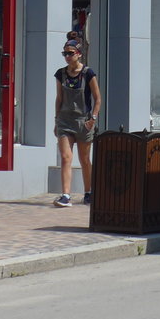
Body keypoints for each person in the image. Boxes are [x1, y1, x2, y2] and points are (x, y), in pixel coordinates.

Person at [53, 38, 101, 207]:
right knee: (66, 157)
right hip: (65, 121)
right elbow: (59, 98)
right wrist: (56, 120)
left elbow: (97, 98)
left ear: (79, 54)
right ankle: (66, 195)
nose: (67, 56)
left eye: (70, 53)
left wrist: (93, 119)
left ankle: (88, 192)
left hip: (83, 121)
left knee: (85, 159)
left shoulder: (88, 73)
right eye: (65, 53)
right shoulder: (60, 74)